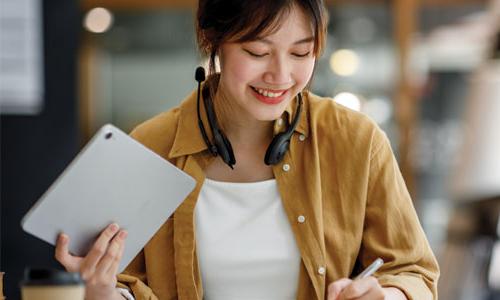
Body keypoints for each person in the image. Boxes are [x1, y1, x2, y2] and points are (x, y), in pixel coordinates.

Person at [55, 0, 439, 299]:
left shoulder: (356, 140)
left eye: (301, 53)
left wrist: (386, 295)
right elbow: (126, 280)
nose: (280, 75)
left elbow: (414, 271)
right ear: (213, 40)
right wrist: (101, 292)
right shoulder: (151, 147)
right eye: (258, 52)